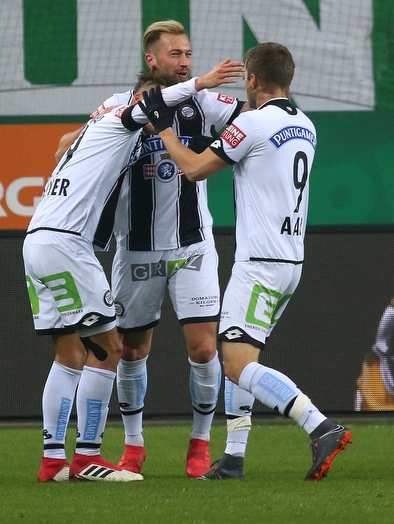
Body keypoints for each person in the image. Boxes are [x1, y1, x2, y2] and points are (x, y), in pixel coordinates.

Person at [141, 42, 351, 482]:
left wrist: (164, 130)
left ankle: (320, 426)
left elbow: (195, 169)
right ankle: (233, 459)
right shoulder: (306, 125)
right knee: (245, 359)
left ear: (252, 80)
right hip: (291, 260)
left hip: (258, 261)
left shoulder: (251, 124)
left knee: (235, 365)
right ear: (287, 79)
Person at [28, 62, 241, 483]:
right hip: (70, 244)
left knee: (70, 354)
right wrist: (199, 83)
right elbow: (148, 107)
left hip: (39, 240)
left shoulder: (94, 131)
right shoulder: (120, 120)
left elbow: (62, 145)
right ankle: (89, 457)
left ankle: (53, 460)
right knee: (109, 350)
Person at [91, 20, 245, 478]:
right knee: (133, 351)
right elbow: (76, 144)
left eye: (188, 54)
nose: (184, 63)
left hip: (192, 245)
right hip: (135, 251)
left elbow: (256, 119)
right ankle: (133, 446)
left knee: (202, 350)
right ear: (151, 59)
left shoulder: (206, 103)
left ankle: (199, 444)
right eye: (174, 54)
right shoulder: (121, 107)